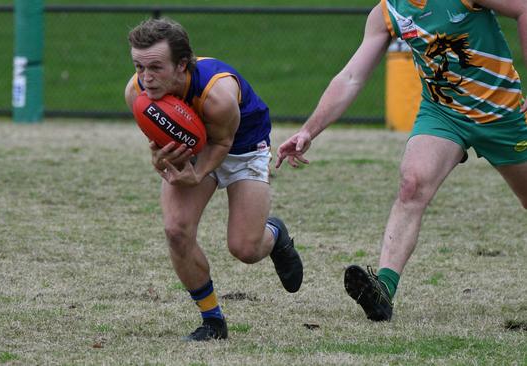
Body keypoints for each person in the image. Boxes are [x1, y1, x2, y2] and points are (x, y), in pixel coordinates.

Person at [276, 0, 527, 322]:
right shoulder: (387, 12)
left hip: (503, 115)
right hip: (444, 113)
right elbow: (352, 76)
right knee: (412, 185)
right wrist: (309, 131)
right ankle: (383, 290)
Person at [124, 17, 304, 341]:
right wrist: (159, 157)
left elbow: (222, 143)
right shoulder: (136, 92)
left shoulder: (217, 94)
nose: (146, 79)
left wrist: (199, 173)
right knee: (176, 230)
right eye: (139, 67)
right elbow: (158, 140)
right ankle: (212, 321)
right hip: (195, 144)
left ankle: (275, 235)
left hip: (243, 145)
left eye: (155, 68)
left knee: (245, 249)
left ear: (181, 65)